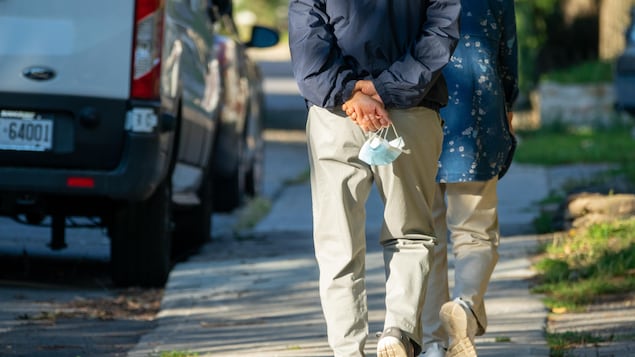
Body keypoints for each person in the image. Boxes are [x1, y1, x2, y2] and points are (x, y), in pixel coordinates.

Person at [288, 1, 461, 356]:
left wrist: (350, 93)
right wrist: (383, 89)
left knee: (337, 242)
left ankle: (348, 349)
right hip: (411, 113)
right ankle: (398, 330)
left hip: (335, 119)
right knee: (409, 232)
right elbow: (442, 30)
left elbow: (308, 38)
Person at [420, 1, 519, 356]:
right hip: (477, 110)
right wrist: (508, 103)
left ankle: (432, 342)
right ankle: (465, 306)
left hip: (418, 107)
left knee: (425, 237)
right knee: (475, 232)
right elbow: (507, 53)